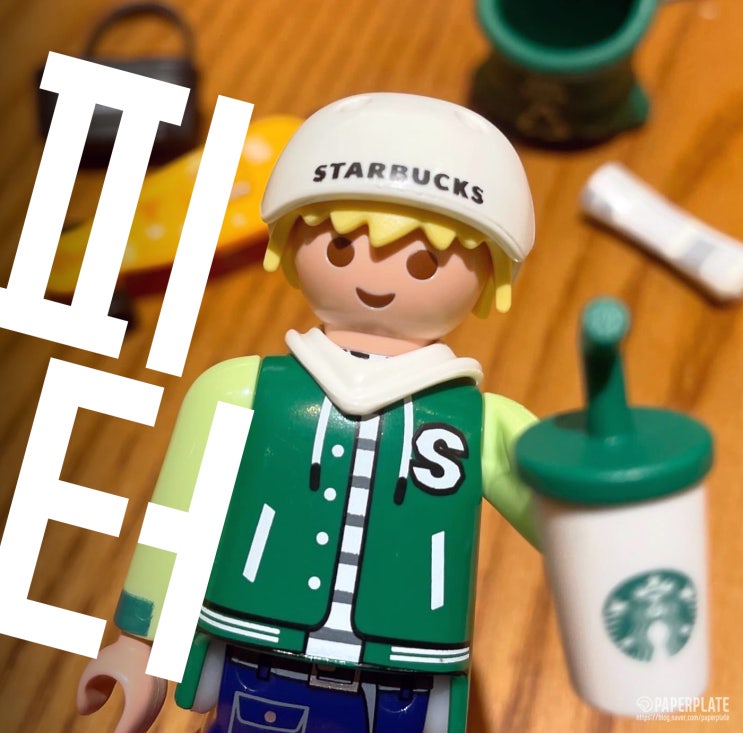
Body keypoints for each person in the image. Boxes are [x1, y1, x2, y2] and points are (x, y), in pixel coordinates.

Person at [78, 92, 540, 733]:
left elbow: (564, 513)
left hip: (406, 675)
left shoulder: (479, 422)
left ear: (490, 275)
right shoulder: (243, 391)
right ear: (288, 241)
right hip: (258, 655)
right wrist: (140, 642)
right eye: (342, 247)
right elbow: (181, 520)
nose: (380, 278)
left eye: (425, 261)